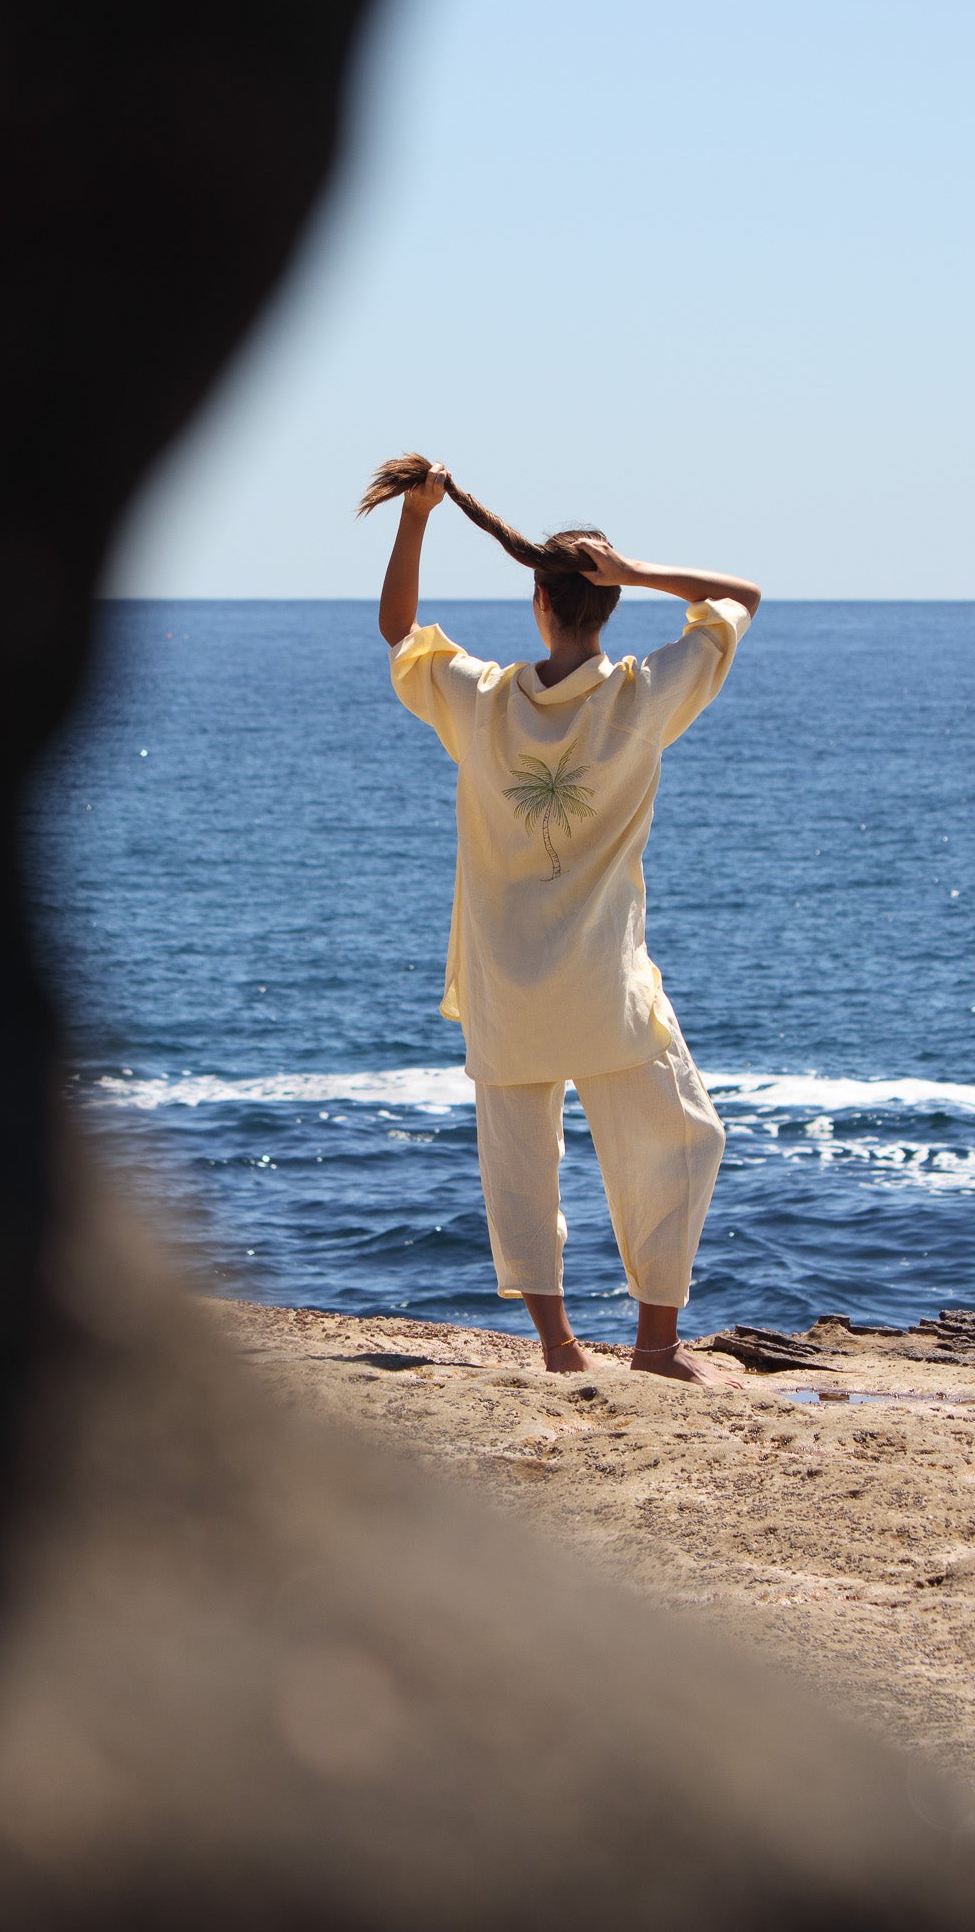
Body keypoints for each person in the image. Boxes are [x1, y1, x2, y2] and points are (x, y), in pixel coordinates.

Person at [363, 454, 761, 1383]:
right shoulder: (641, 697)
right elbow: (739, 596)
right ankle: (656, 1348)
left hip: (506, 981)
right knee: (682, 1140)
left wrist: (418, 518)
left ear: (539, 605)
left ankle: (559, 1348)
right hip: (604, 984)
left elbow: (396, 631)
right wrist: (635, 572)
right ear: (604, 605)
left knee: (518, 1167)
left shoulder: (483, 700)